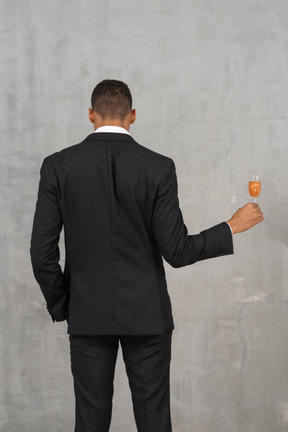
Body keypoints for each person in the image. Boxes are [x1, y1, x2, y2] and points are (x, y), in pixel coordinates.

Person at [30, 79, 264, 432]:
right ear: (133, 116)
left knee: (90, 422)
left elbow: (41, 254)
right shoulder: (158, 167)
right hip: (147, 315)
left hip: (87, 313)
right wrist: (230, 226)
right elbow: (178, 250)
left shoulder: (58, 166)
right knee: (154, 422)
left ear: (91, 115)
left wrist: (65, 305)